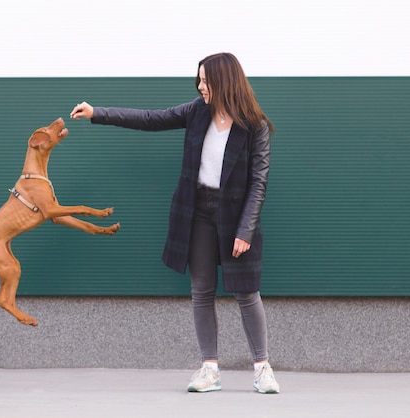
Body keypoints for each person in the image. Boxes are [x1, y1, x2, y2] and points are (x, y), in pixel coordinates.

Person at [69, 52, 279, 394]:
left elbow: (259, 181)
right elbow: (151, 119)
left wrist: (245, 229)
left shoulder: (254, 125)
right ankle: (209, 369)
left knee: (246, 291)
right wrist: (97, 113)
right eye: (198, 80)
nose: (200, 86)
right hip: (197, 211)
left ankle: (262, 367)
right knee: (201, 291)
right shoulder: (197, 111)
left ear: (224, 83)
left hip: (235, 216)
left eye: (206, 81)